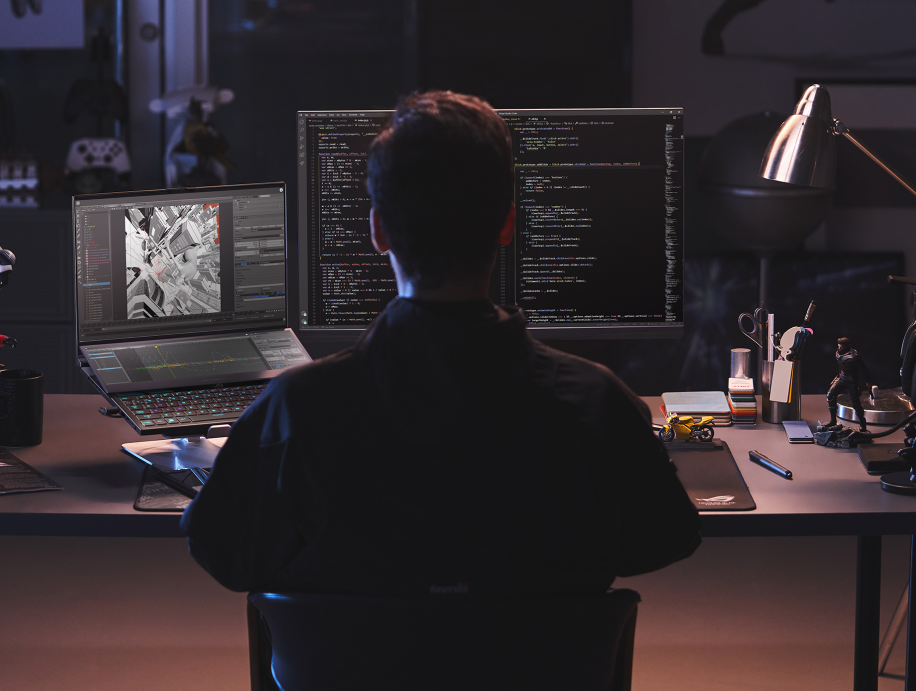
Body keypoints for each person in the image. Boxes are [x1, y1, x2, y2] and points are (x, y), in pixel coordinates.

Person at [182, 90, 701, 597]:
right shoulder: (595, 405)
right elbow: (661, 541)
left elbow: (226, 553)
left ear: (378, 230)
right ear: (508, 225)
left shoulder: (297, 411)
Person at [822, 337, 871, 433]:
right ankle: (833, 421)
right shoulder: (838, 353)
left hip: (852, 381)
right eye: (838, 346)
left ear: (847, 346)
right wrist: (837, 377)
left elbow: (864, 369)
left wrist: (868, 381)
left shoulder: (854, 356)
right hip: (842, 378)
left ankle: (863, 424)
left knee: (856, 405)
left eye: (841, 347)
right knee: (830, 395)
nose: (839, 348)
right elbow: (840, 366)